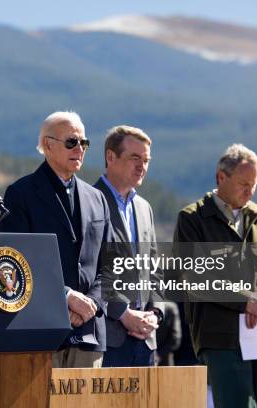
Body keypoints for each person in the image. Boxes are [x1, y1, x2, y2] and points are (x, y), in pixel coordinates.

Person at [173, 143, 257, 408]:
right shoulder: (193, 219)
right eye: (243, 183)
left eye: (254, 184)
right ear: (221, 177)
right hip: (220, 336)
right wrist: (246, 300)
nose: (249, 191)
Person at [0, 111, 111, 368]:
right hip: (42, 331)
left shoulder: (97, 198)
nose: (80, 149)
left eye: (84, 143)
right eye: (72, 142)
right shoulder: (21, 194)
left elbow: (110, 264)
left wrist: (91, 303)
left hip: (89, 335)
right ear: (48, 145)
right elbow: (15, 263)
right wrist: (66, 296)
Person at [93, 125, 164, 367]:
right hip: (107, 337)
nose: (142, 166)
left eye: (146, 160)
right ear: (110, 157)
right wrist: (122, 313)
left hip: (145, 340)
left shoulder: (144, 208)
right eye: (135, 158)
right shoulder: (89, 201)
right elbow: (89, 269)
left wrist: (155, 313)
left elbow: (154, 267)